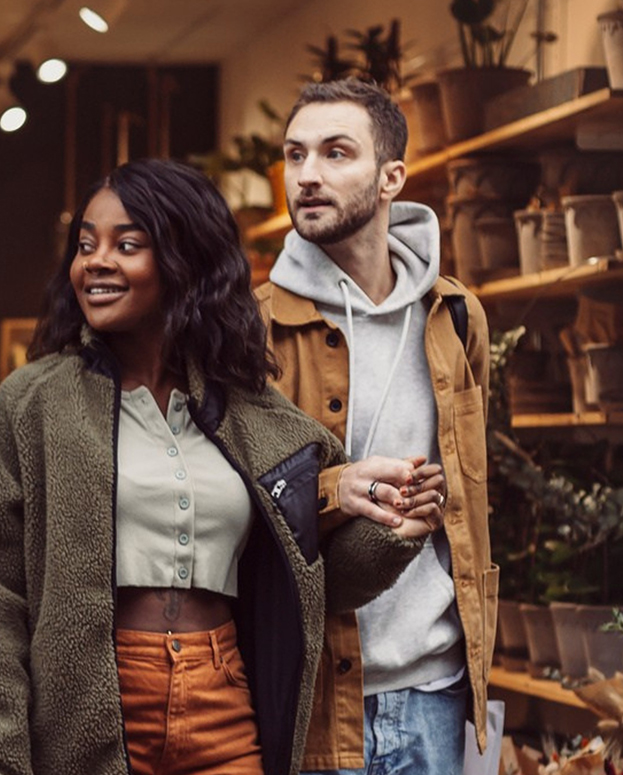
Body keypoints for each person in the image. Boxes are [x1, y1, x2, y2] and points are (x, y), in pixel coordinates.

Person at [0, 158, 432, 775]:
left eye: (126, 245)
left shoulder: (257, 414)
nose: (96, 262)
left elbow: (307, 585)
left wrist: (394, 533)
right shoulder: (31, 406)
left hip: (221, 703)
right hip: (88, 714)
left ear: (185, 261)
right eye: (86, 246)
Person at [254, 79, 496, 775]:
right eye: (295, 155)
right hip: (310, 700)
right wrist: (335, 489)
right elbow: (223, 506)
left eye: (336, 153)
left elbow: (472, 504)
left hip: (436, 691)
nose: (308, 175)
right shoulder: (253, 327)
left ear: (392, 177)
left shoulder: (456, 317)